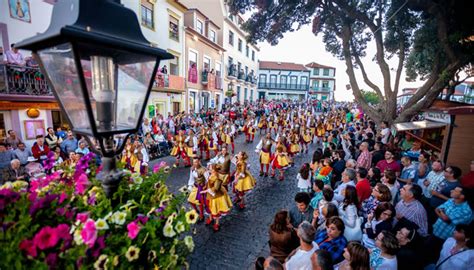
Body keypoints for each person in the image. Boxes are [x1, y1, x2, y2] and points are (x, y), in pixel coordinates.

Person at [204, 164, 233, 231]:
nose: (209, 169)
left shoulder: (218, 177)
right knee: (209, 207)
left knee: (216, 209)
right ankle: (210, 218)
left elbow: (216, 188)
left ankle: (217, 223)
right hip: (210, 194)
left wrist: (207, 190)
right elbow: (208, 183)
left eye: (210, 168)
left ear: (214, 170)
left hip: (216, 196)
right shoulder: (211, 175)